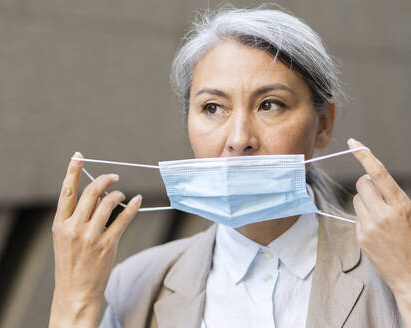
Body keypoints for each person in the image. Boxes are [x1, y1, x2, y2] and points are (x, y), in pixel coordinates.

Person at [48, 6, 411, 328]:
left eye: (270, 105)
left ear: (324, 123)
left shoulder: (394, 264)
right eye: (212, 108)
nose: (239, 138)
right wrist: (74, 302)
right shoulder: (136, 284)